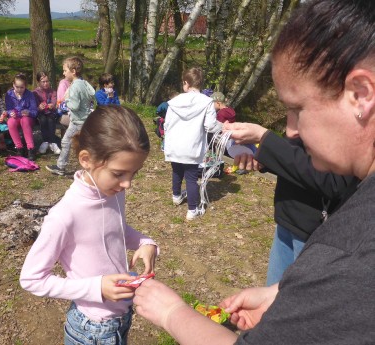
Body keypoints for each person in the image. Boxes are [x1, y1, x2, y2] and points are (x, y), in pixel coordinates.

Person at [133, 0, 375, 343]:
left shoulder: (351, 251)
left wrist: (173, 314)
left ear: (361, 94)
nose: (291, 131)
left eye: (297, 109)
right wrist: (284, 293)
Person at [20, 105, 159, 345]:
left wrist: (145, 242)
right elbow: (31, 279)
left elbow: (114, 231)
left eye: (134, 173)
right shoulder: (65, 215)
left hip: (120, 317)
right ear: (86, 159)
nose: (127, 184)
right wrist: (96, 288)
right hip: (93, 329)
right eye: (118, 173)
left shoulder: (113, 191)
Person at [222, 122, 359, 285]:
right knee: (273, 296)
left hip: (316, 236)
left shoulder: (357, 125)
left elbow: (333, 182)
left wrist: (265, 138)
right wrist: (265, 157)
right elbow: (298, 156)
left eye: (299, 110)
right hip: (286, 221)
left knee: (301, 303)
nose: (291, 131)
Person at [164, 67, 222, 220]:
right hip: (192, 145)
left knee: (176, 171)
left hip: (175, 144)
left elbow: (167, 124)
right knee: (191, 177)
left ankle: (176, 196)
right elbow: (210, 126)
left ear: (185, 83)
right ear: (200, 83)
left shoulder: (174, 102)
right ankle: (192, 210)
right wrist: (223, 126)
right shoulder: (207, 102)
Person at [46, 56, 95, 176]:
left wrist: (66, 100)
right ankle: (94, 166)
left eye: (65, 70)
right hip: (86, 119)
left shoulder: (74, 86)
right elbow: (92, 94)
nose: (63, 73)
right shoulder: (84, 83)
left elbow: (75, 106)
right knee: (86, 143)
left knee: (66, 141)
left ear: (73, 71)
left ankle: (60, 167)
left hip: (78, 121)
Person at [4, 73, 38, 160]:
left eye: (22, 87)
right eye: (17, 87)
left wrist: (28, 112)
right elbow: (8, 109)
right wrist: (11, 113)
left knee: (25, 120)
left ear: (25, 86)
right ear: (13, 85)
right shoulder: (9, 94)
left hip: (27, 119)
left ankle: (30, 148)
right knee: (10, 122)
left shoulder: (29, 94)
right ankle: (19, 148)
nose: (19, 89)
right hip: (15, 118)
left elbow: (34, 111)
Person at [32, 71, 61, 155]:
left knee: (51, 119)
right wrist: (39, 107)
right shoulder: (35, 93)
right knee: (43, 119)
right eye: (43, 82)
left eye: (47, 81)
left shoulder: (52, 92)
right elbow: (34, 106)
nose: (45, 83)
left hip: (50, 113)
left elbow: (54, 102)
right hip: (40, 114)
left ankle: (52, 143)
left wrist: (52, 105)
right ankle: (45, 142)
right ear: (38, 82)